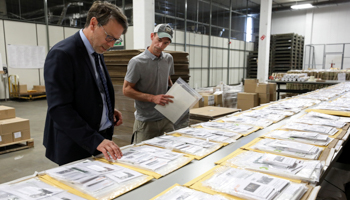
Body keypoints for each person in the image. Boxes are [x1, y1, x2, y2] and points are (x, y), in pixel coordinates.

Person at [43, 1, 128, 165]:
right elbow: (60, 108)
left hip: (98, 138)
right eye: (109, 37)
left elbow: (92, 89)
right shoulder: (62, 54)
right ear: (94, 23)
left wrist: (108, 108)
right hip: (75, 144)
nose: (111, 45)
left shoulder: (97, 50)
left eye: (115, 40)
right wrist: (94, 139)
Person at [123, 24, 175, 143]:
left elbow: (168, 80)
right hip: (146, 122)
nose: (161, 45)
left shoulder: (168, 59)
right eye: (159, 40)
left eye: (166, 43)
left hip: (166, 118)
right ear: (152, 36)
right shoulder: (137, 62)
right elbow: (126, 90)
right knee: (141, 157)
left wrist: (179, 95)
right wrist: (152, 98)